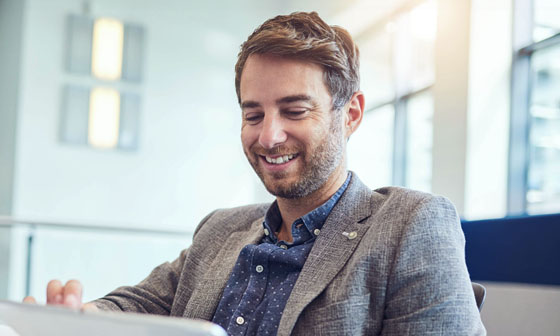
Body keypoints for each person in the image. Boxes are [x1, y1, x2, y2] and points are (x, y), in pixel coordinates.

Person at [24, 11, 485, 335]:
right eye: (253, 115)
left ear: (351, 114)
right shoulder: (220, 228)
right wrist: (78, 318)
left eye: (294, 110)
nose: (268, 137)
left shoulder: (411, 224)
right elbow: (139, 305)